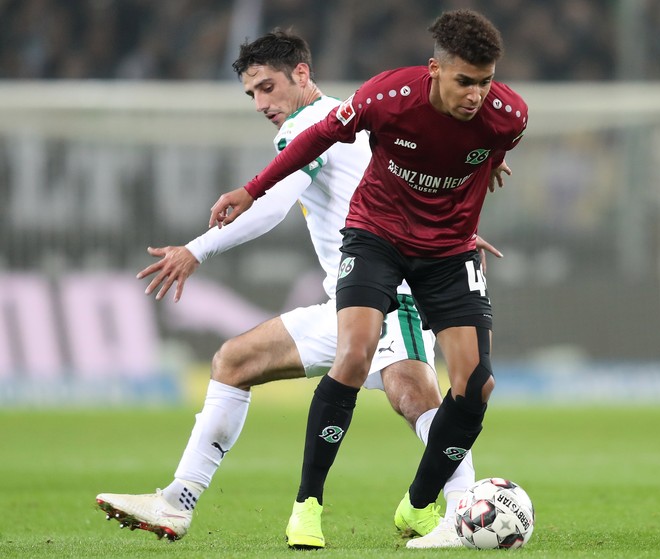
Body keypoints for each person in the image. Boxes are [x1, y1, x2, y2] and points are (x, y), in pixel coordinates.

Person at [95, 28, 500, 549]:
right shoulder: (358, 121)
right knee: (235, 362)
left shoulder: (314, 125)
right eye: (252, 94)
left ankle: (464, 512)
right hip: (350, 299)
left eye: (267, 87)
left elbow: (271, 205)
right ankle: (178, 500)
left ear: (302, 74)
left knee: (418, 401)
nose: (261, 103)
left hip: (391, 289)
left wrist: (196, 249)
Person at [208, 9, 527, 549]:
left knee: (476, 386)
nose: (477, 94)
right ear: (435, 70)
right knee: (354, 355)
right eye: (464, 81)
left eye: (486, 80)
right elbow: (315, 141)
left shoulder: (509, 117)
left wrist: (487, 162)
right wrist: (252, 190)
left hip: (449, 250)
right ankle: (307, 507)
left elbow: (491, 145)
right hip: (375, 236)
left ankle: (420, 505)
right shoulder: (388, 97)